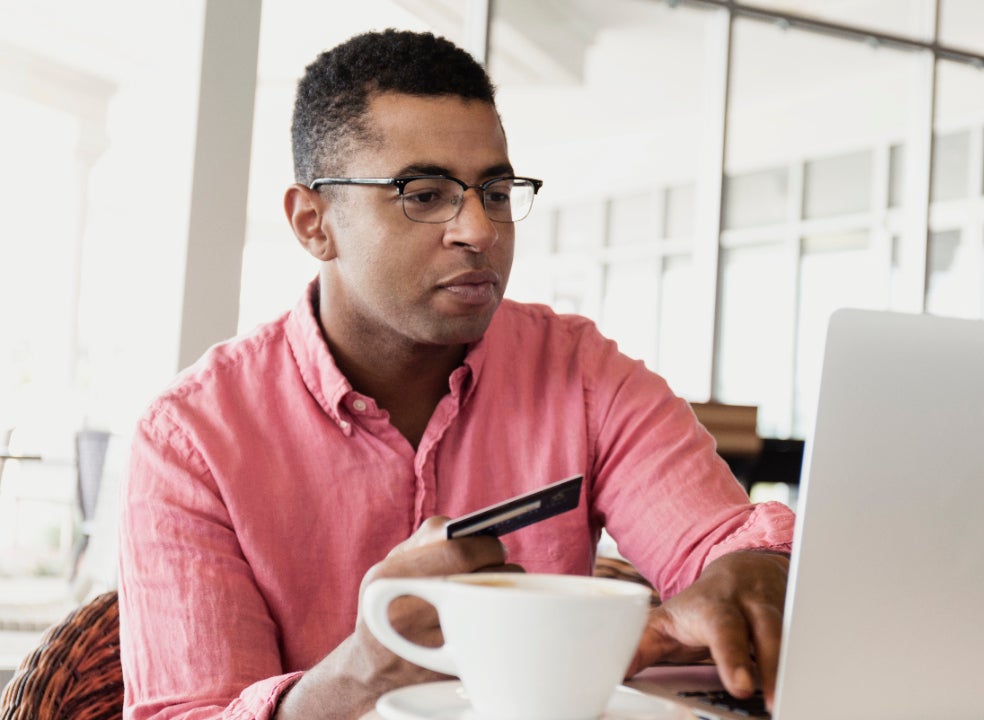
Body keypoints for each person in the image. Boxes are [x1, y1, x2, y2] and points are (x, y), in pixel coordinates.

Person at [118, 29, 794, 720]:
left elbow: (724, 545)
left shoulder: (584, 374)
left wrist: (755, 571)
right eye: (424, 193)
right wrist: (362, 671)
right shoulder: (192, 438)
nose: (481, 230)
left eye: (496, 191)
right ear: (313, 222)